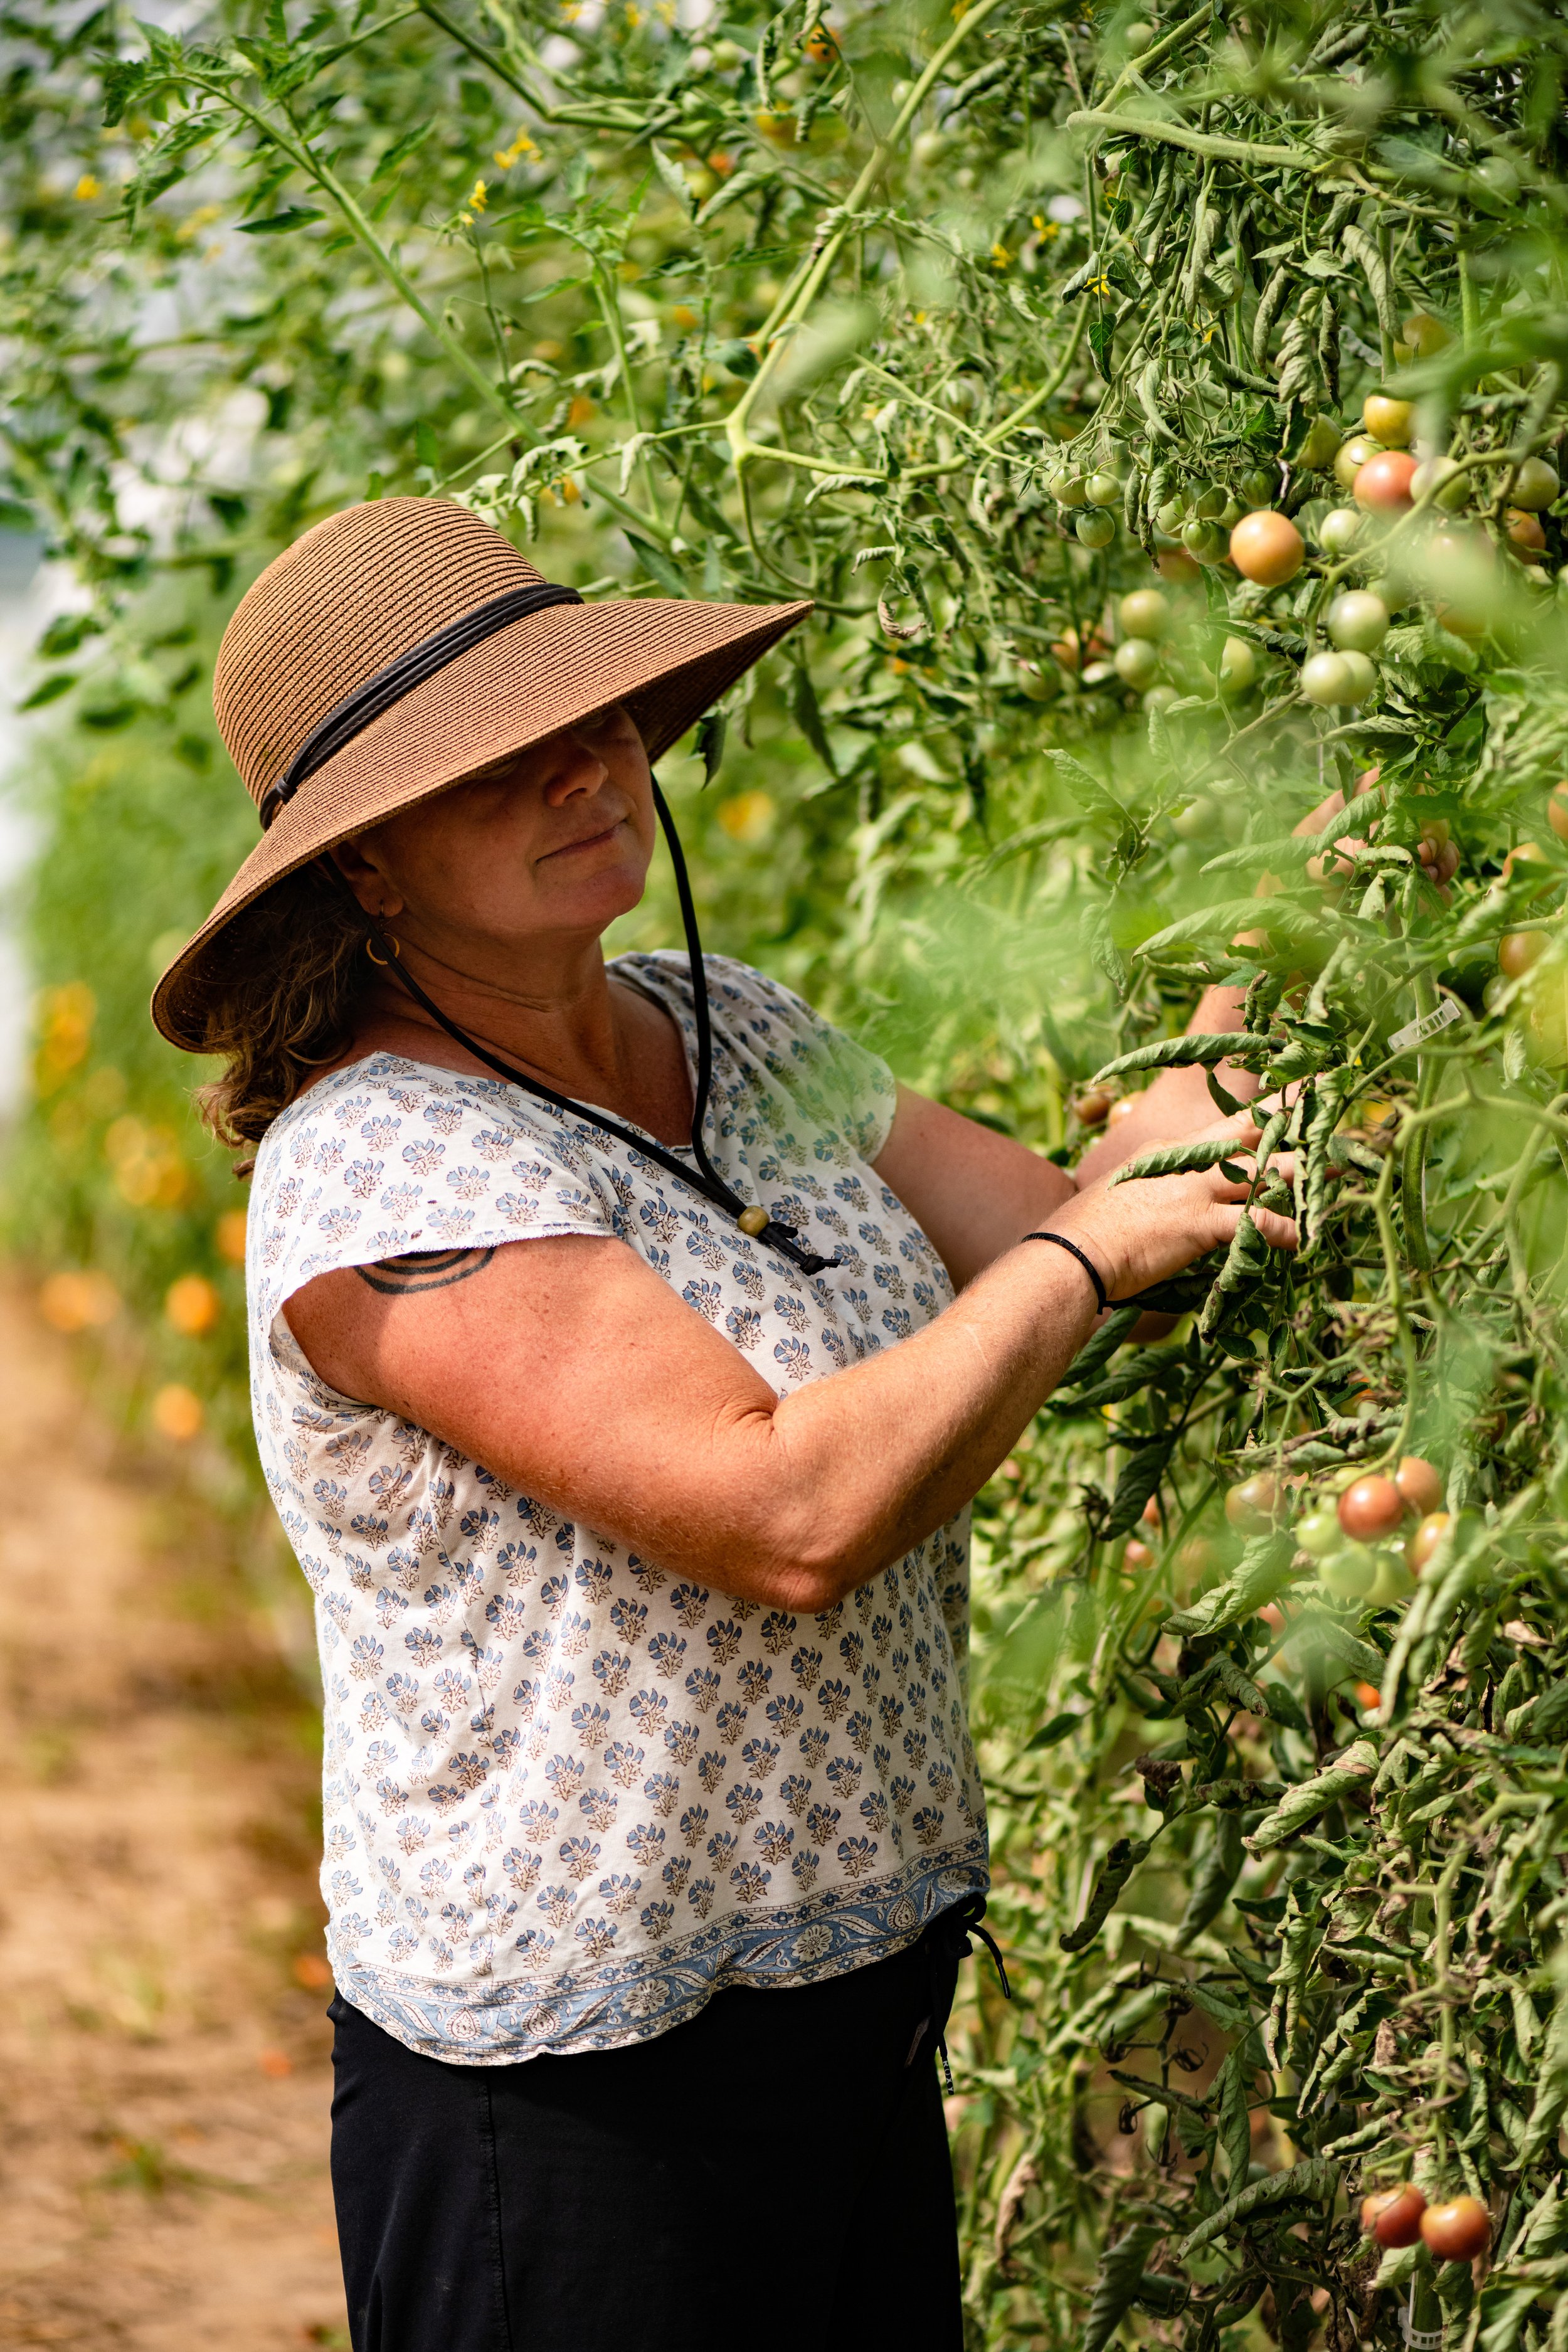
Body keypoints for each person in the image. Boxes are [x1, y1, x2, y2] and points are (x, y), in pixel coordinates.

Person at [151, 496, 1293, 2352]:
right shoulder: (380, 1171)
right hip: (583, 2086)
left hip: (850, 1994)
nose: (579, 771)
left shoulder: (738, 1024)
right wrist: (1088, 1250)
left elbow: (1050, 1213)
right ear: (362, 869)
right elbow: (778, 1512)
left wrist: (1291, 938)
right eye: (494, 761)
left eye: (590, 720)